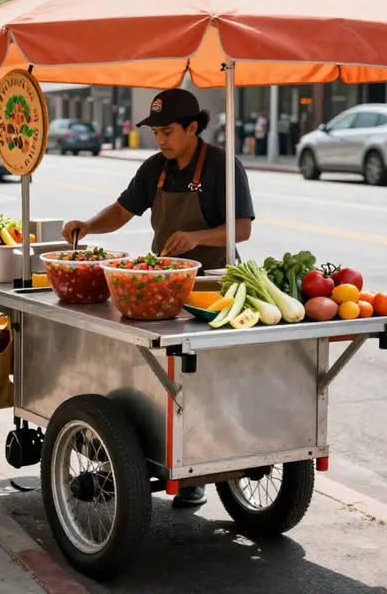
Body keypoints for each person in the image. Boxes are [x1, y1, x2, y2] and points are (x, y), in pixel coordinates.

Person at [63, 88, 256, 508]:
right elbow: (122, 210)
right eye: (156, 133)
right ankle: (156, 455)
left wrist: (197, 238)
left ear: (192, 127)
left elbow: (241, 229)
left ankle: (198, 470)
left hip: (214, 290)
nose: (161, 140)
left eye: (168, 131)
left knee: (205, 382)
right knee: (159, 379)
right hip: (164, 289)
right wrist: (88, 227)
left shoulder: (225, 166)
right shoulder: (156, 169)